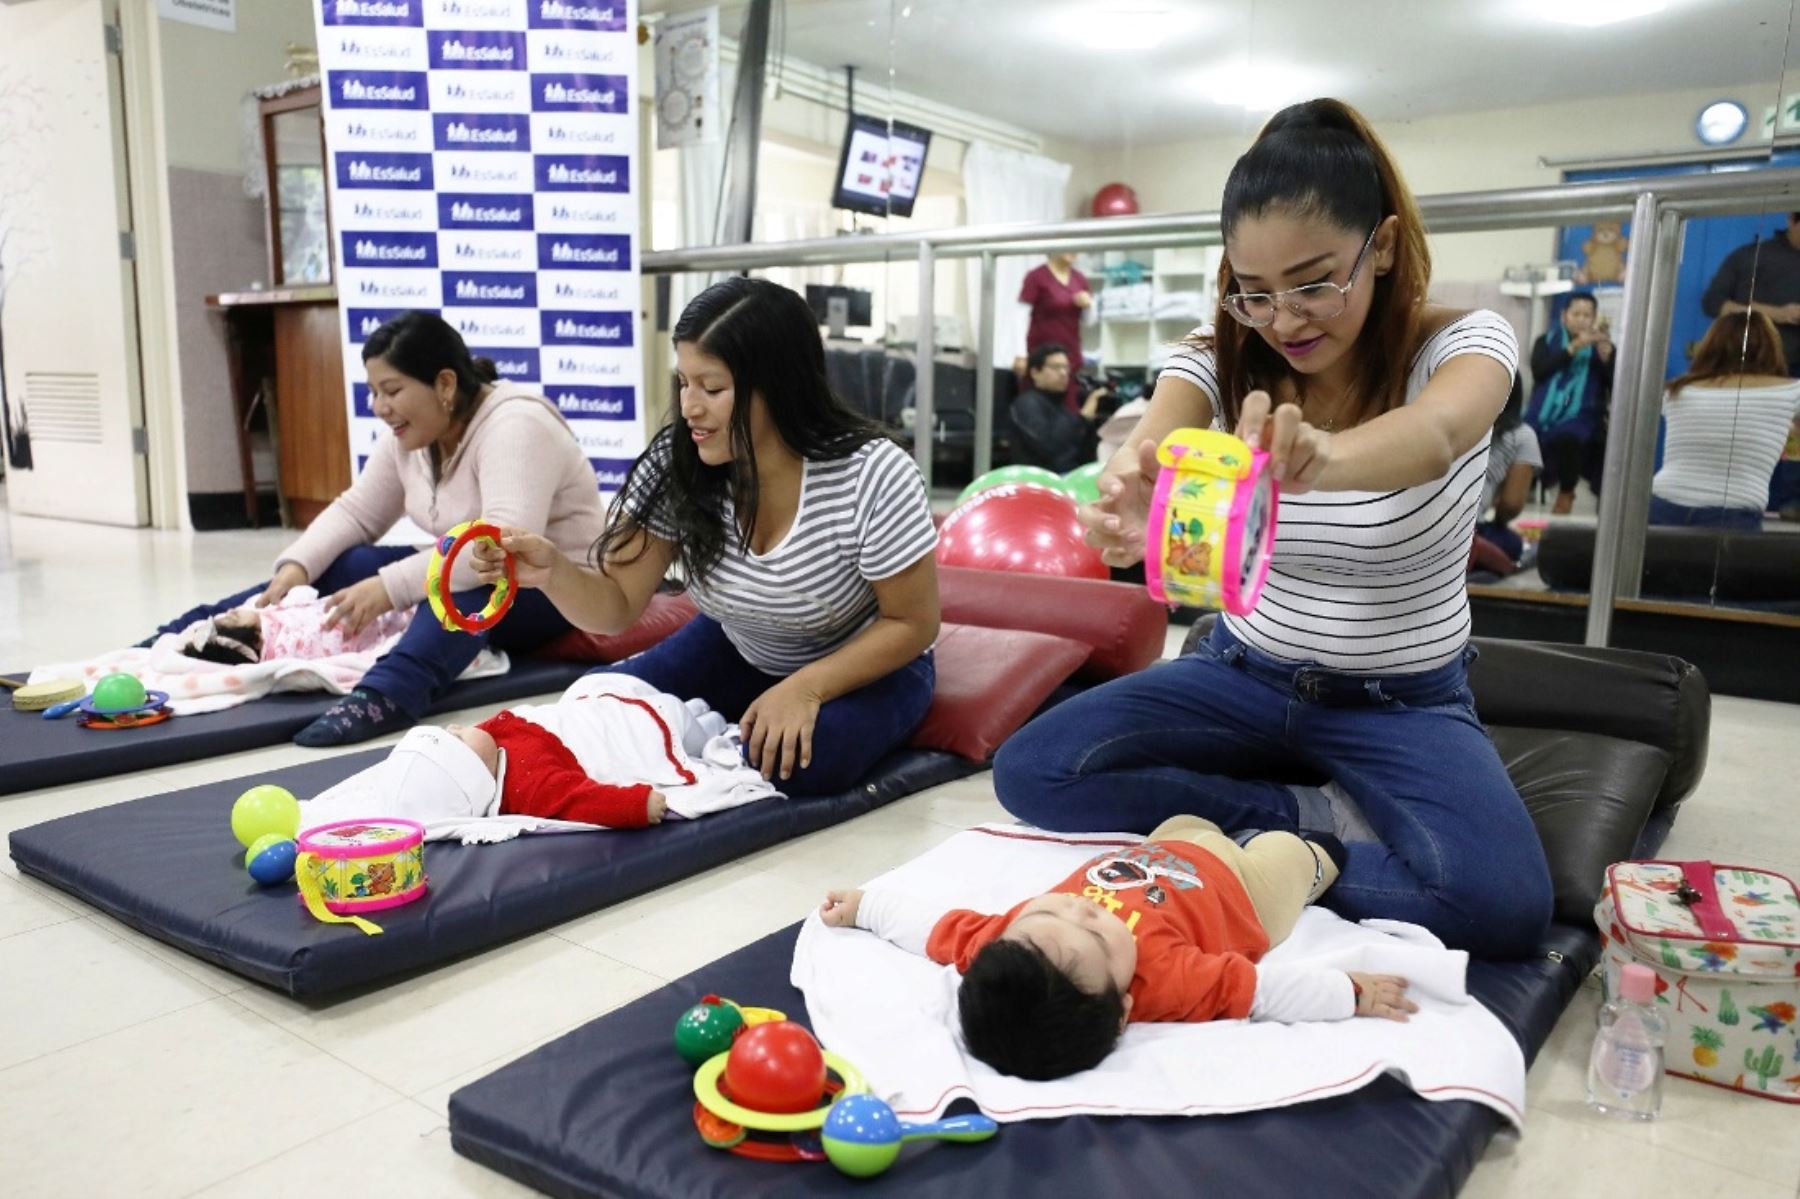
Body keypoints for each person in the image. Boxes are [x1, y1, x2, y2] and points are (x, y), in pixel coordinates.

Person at [992, 98, 1555, 961]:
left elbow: (1438, 435)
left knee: (1502, 903)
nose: (1285, 319)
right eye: (1254, 292)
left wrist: (1321, 457)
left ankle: (1298, 844)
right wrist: (1127, 505)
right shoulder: (1220, 352)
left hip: (1399, 703)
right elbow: (1150, 448)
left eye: (1314, 281)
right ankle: (1298, 818)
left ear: (1386, 248)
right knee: (1033, 770)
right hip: (1242, 673)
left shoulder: (1464, 342)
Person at [477, 277, 940, 797]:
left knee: (800, 764)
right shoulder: (678, 462)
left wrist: (807, 688)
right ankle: (717, 732)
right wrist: (555, 573)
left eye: (712, 389)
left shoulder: (871, 472)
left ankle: (716, 735)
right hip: (742, 644)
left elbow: (912, 623)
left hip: (867, 663)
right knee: (596, 705)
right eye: (683, 383)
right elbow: (617, 607)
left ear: (781, 387)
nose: (690, 408)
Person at [142, 311, 606, 746]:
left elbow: (502, 548)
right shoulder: (416, 436)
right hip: (484, 571)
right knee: (352, 562)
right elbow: (358, 512)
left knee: (461, 588)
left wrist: (391, 588)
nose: (380, 407)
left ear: (444, 383)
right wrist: (295, 567)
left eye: (392, 390)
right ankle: (197, 627)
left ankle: (389, 693)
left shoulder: (516, 424)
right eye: (374, 392)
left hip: (555, 589)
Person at [819, 816, 1415, 1081]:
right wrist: (1348, 992)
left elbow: (931, 927)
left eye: (1050, 906)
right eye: (1099, 934)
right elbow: (1261, 993)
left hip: (1164, 849)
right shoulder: (1167, 982)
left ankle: (1230, 821)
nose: (1084, 909)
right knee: (1297, 850)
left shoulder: (1004, 944)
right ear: (1125, 1007)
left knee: (1187, 820)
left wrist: (865, 906)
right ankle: (1316, 845)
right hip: (1245, 891)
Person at [1651, 309, 1800, 530]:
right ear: (1771, 347)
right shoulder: (1792, 392)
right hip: (1732, 513)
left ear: (1710, 345)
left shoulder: (1677, 390)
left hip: (1662, 504)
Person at [1525, 292, 1613, 515]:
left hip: (1582, 414)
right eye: (1576, 314)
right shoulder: (1546, 341)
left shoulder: (1602, 348)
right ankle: (1514, 491)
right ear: (1565, 316)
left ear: (1594, 319)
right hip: (1542, 411)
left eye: (1587, 315)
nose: (1581, 319)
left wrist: (1607, 359)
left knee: (1568, 435)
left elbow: (1614, 384)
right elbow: (1540, 371)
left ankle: (1566, 493)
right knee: (1522, 435)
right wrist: (1572, 348)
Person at [1701, 211, 1800, 378]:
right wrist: (1779, 314)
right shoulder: (1750, 256)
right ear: (1792, 220)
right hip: (1747, 364)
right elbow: (1713, 303)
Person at [1470, 375, 1541, 573]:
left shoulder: (1450, 424)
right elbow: (1511, 504)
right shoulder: (1522, 435)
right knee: (1514, 544)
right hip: (1466, 533)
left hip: (1413, 525)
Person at [1008, 343, 1114, 473]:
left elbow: (1083, 453)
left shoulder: (1063, 408)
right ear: (1035, 372)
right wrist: (1083, 418)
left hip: (1070, 477)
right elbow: (1050, 447)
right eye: (1056, 367)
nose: (1063, 373)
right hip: (1041, 481)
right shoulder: (1026, 404)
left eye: (1066, 367)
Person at [1019, 252, 1094, 412]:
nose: (1072, 252)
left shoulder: (1080, 279)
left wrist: (1088, 305)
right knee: (1037, 407)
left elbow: (1088, 322)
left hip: (1070, 356)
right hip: (1041, 356)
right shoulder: (1036, 276)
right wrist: (1019, 353)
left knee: (1069, 408)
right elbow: (1020, 315)